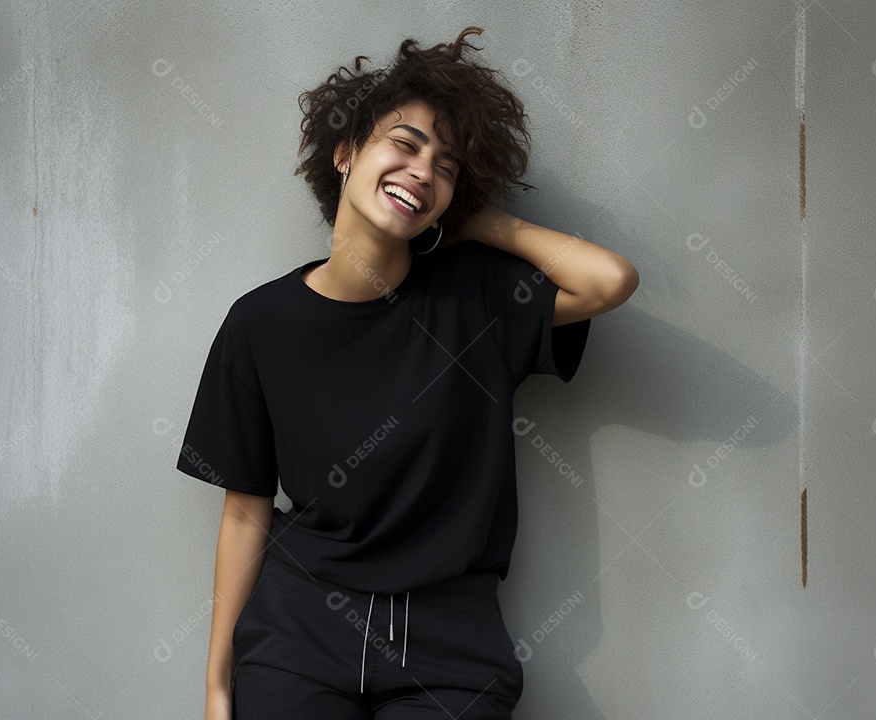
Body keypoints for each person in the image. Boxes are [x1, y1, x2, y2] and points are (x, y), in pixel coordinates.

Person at [176, 26, 638, 720]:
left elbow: (610, 279)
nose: (424, 171)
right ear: (345, 152)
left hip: (449, 646)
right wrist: (216, 686)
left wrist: (478, 222)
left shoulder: (476, 300)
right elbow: (244, 511)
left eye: (447, 165)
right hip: (297, 632)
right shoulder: (259, 324)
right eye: (406, 143)